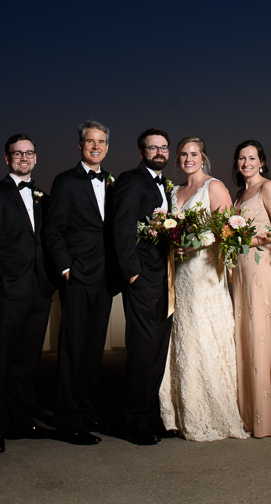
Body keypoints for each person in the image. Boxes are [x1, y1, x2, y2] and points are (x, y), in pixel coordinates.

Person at [158, 137, 248, 441]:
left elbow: (228, 232)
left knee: (203, 334)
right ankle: (178, 413)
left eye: (193, 154)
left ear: (203, 157)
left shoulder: (214, 187)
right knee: (181, 336)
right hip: (179, 274)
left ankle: (210, 411)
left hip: (204, 273)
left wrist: (195, 243)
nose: (188, 159)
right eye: (183, 154)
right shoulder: (173, 190)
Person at [0, 134, 55, 454]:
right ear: (6, 159)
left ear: (36, 158)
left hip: (39, 289)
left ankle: (20, 421)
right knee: (0, 360)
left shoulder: (42, 197)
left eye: (29, 153)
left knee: (27, 359)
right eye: (17, 153)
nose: (24, 158)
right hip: (7, 289)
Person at [43, 120, 118, 445]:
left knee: (93, 350)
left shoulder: (114, 183)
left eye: (101, 142)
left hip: (104, 279)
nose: (96, 146)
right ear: (80, 145)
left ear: (107, 146)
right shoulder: (66, 181)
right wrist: (65, 269)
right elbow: (53, 230)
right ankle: (67, 421)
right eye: (91, 141)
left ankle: (88, 414)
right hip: (77, 277)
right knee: (72, 349)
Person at [111, 129, 175, 445]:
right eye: (153, 147)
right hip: (142, 277)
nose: (159, 151)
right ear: (141, 152)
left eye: (164, 147)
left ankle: (151, 416)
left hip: (166, 278)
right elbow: (121, 228)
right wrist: (132, 273)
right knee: (141, 349)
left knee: (157, 350)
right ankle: (133, 420)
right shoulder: (130, 180)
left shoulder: (167, 186)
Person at [231, 139, 271, 438]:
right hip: (242, 272)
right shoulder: (240, 194)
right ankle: (250, 410)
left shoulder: (268, 187)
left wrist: (251, 241)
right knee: (247, 333)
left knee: (264, 333)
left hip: (263, 268)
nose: (246, 163)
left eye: (252, 158)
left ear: (262, 162)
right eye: (242, 159)